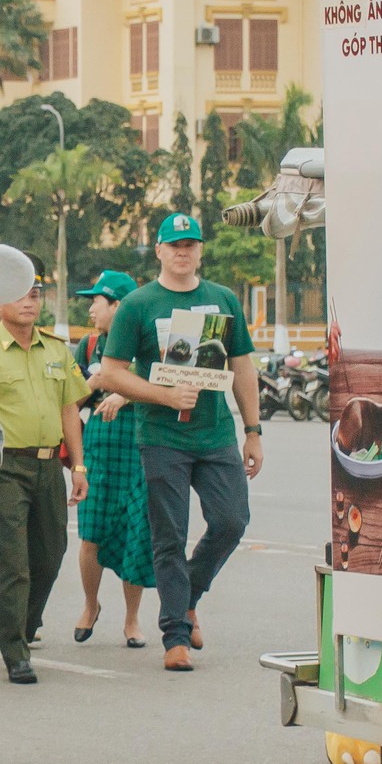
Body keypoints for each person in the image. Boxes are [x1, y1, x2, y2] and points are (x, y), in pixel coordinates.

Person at [97, 212, 264, 670]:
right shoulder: (137, 304)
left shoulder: (223, 299)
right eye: (175, 245)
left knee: (232, 520)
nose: (183, 252)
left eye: (191, 244)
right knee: (168, 534)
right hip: (162, 438)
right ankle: (175, 636)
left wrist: (253, 431)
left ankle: (190, 596)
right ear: (159, 251)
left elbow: (243, 367)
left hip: (215, 437)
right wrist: (163, 395)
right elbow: (111, 373)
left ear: (201, 250)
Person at [0, 254, 89, 684]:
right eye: (21, 294)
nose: (30, 301)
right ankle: (15, 651)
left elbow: (69, 409)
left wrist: (78, 465)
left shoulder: (56, 350)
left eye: (36, 293)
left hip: (48, 466)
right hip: (4, 466)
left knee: (52, 552)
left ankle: (23, 624)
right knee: (13, 562)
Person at [68, 270, 151, 647]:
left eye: (96, 303)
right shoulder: (87, 346)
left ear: (118, 304)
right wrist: (95, 383)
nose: (91, 311)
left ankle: (132, 619)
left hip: (141, 445)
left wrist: (126, 391)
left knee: (137, 532)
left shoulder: (148, 345)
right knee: (92, 533)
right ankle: (90, 604)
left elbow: (169, 386)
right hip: (100, 448)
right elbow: (69, 402)